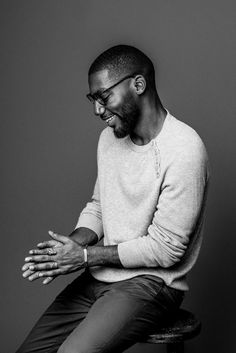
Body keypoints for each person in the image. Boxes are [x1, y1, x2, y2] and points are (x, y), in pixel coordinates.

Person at [17, 45, 209, 353]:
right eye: (93, 100)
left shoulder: (184, 150)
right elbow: (100, 205)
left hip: (152, 283)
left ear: (138, 84)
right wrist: (70, 246)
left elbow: (166, 249)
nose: (97, 110)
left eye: (104, 97)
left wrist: (84, 257)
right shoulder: (109, 139)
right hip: (100, 277)